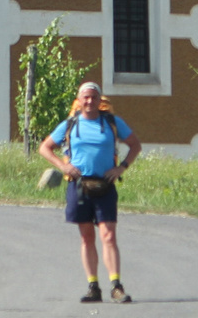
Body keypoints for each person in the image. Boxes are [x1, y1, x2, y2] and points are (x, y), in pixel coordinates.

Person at [38, 80, 143, 303]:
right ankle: (93, 286)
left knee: (108, 235)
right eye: (85, 97)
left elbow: (135, 145)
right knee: (87, 238)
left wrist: (121, 168)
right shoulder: (69, 125)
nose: (89, 101)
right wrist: (63, 166)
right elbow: (45, 147)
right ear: (79, 100)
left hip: (105, 185)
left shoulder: (112, 123)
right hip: (78, 186)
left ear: (99, 100)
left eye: (93, 97)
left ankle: (116, 285)